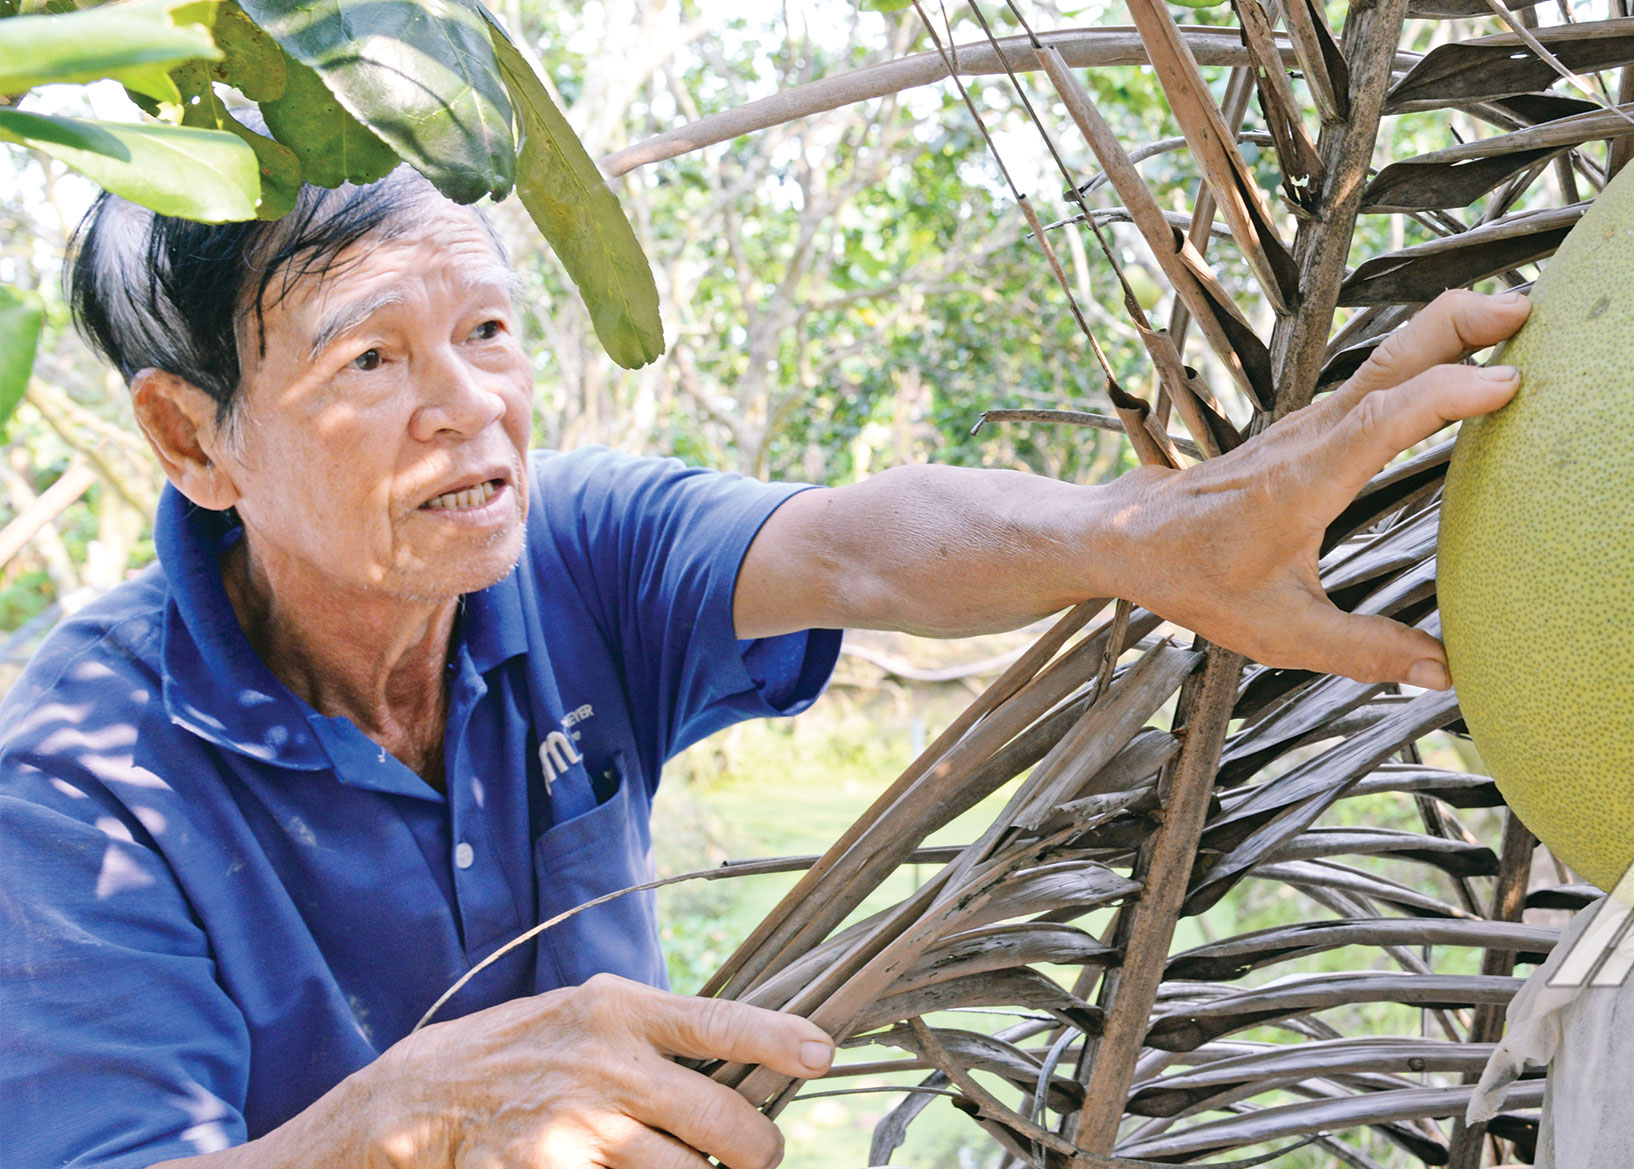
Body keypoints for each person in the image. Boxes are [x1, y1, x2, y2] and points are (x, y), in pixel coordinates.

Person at [0, 167, 1529, 1169]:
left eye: (485, 327)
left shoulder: (565, 552)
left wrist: (1145, 530)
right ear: (191, 435)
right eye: (369, 360)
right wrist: (408, 1118)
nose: (473, 408)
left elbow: (870, 544)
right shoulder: (80, 782)